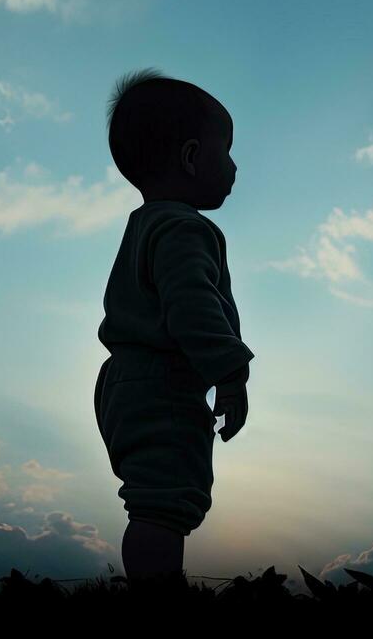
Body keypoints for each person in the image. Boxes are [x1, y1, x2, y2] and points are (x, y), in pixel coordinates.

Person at [94, 67, 253, 589]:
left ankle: (156, 582)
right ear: (190, 158)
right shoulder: (185, 228)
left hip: (125, 381)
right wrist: (230, 370)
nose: (233, 166)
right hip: (160, 383)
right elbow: (192, 306)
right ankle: (156, 591)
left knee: (155, 499)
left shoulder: (143, 225)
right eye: (225, 151)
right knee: (163, 505)